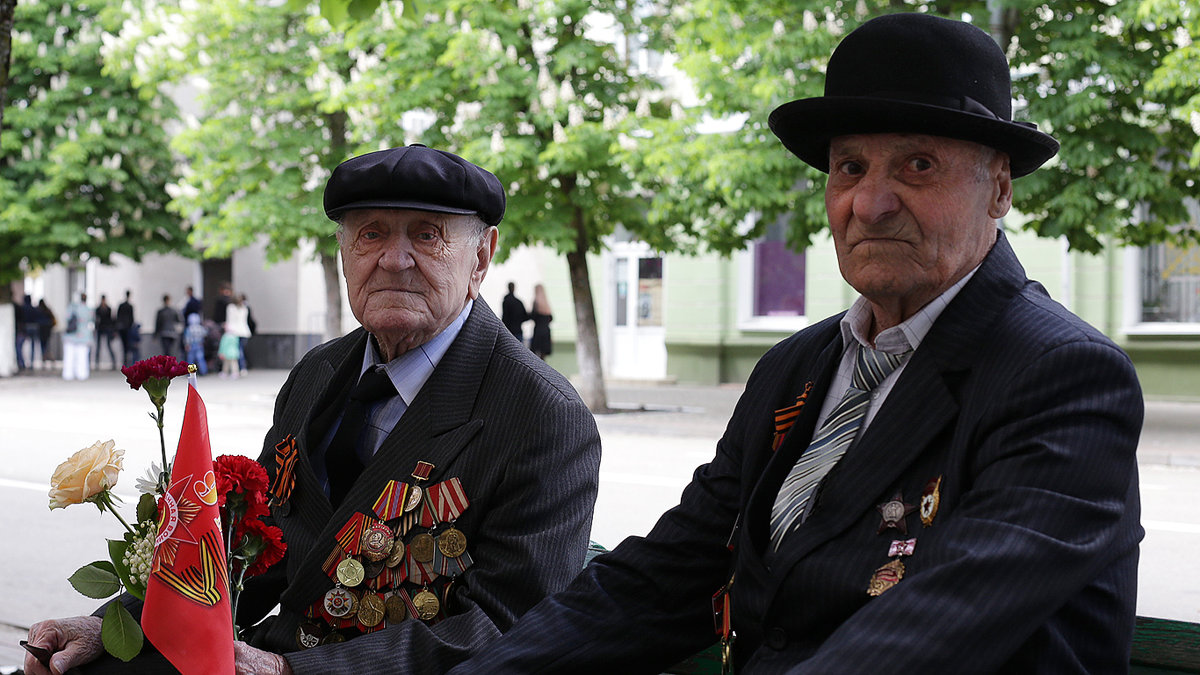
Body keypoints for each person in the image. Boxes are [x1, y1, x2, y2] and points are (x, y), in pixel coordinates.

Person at [446, 14, 1144, 674]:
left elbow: (930, 632)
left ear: (998, 189)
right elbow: (666, 576)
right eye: (849, 168)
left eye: (918, 165)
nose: (870, 203)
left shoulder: (1062, 377)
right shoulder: (797, 369)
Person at [25, 144, 602, 675]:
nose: (393, 260)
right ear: (344, 255)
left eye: (427, 236)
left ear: (482, 256)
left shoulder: (543, 416)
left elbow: (505, 629)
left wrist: (292, 672)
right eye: (370, 235)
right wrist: (112, 625)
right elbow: (250, 543)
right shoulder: (318, 373)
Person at [61, 292, 93, 381]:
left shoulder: (72, 307)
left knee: (69, 356)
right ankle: (82, 374)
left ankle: (68, 374)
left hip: (70, 336)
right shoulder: (88, 309)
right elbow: (91, 320)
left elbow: (67, 318)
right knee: (82, 357)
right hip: (84, 336)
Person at [93, 295, 118, 370]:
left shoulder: (108, 309)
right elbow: (96, 320)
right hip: (100, 328)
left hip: (107, 328)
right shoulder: (98, 309)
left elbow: (111, 320)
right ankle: (97, 363)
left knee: (109, 345)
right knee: (98, 346)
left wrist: (113, 330)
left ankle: (113, 363)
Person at [528, 284, 552, 360]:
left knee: (535, 355)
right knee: (543, 356)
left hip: (538, 330)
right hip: (546, 331)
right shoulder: (547, 304)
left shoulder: (536, 303)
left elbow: (532, 316)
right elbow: (551, 318)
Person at [115, 290, 135, 367]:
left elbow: (118, 317)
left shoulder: (122, 305)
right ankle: (126, 361)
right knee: (127, 346)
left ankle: (125, 361)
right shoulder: (130, 306)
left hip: (122, 328)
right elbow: (132, 318)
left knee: (124, 346)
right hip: (127, 328)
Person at [36, 299, 56, 368]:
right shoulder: (47, 310)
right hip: (47, 330)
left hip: (42, 330)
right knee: (47, 345)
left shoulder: (38, 310)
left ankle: (45, 357)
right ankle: (47, 357)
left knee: (43, 345)